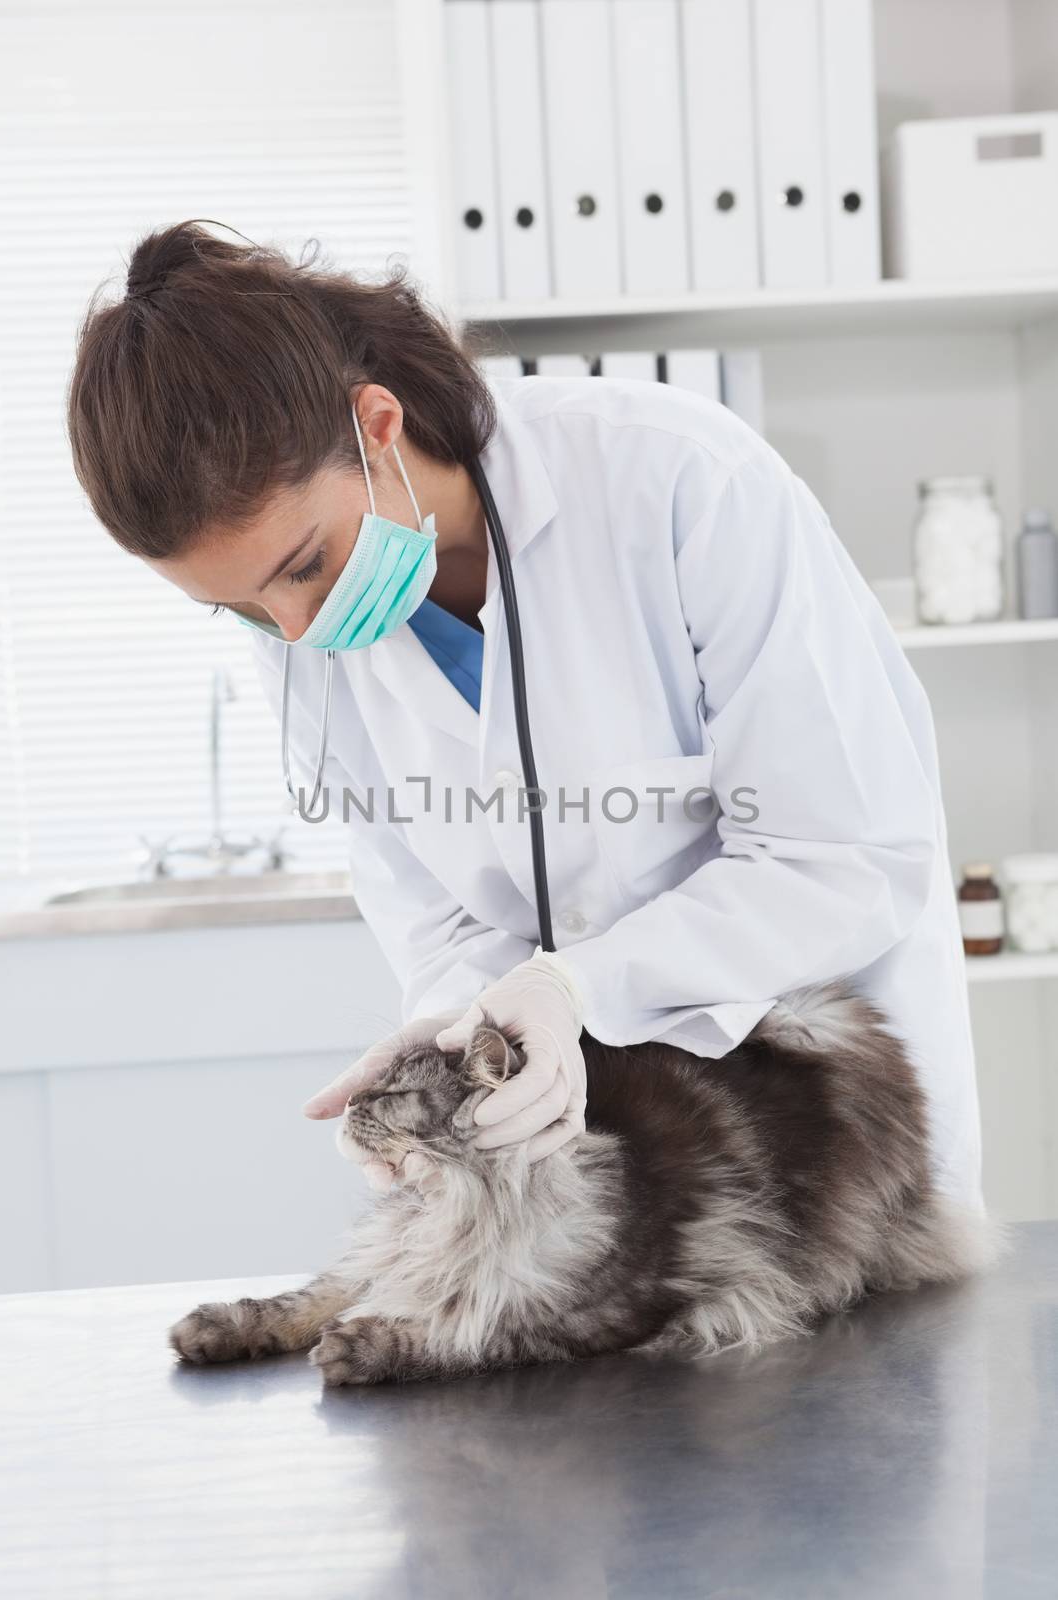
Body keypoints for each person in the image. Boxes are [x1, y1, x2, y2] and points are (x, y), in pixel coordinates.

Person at [67, 220, 982, 1206]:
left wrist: (576, 984)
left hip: (833, 1134)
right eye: (240, 604)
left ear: (376, 425)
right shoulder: (300, 631)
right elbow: (432, 912)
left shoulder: (675, 481)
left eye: (303, 565)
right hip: (613, 1170)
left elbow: (842, 858)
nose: (297, 628)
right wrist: (461, 1031)